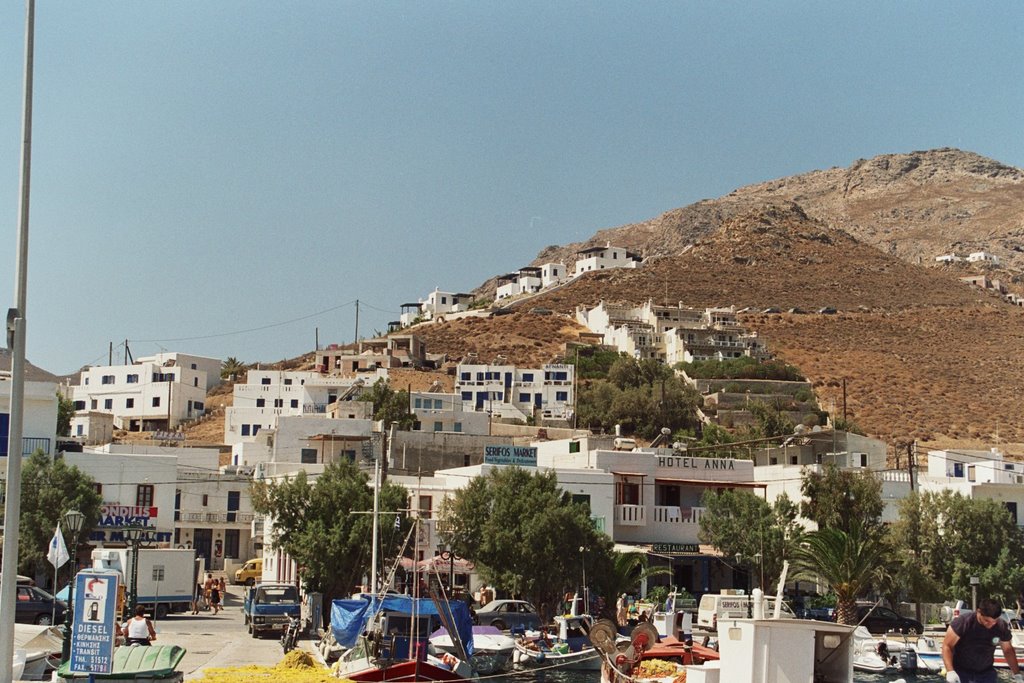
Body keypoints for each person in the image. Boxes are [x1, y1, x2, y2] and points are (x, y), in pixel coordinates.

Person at [942, 597, 1024, 683]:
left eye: (994, 622)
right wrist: (950, 671)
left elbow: (1008, 650)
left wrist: (1017, 674)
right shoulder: (963, 622)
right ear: (978, 612)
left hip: (986, 673)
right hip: (961, 671)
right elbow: (947, 646)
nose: (991, 625)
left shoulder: (1000, 626)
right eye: (987, 621)